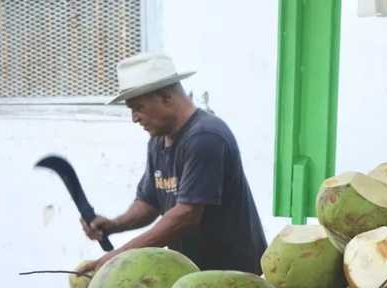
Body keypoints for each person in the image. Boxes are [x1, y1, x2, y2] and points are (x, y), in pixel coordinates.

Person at [79, 52, 267, 274]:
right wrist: (115, 225)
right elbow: (149, 203)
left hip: (232, 275)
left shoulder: (206, 137)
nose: (134, 118)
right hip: (192, 274)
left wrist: (118, 257)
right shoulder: (158, 140)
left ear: (166, 97)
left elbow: (186, 215)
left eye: (137, 107)